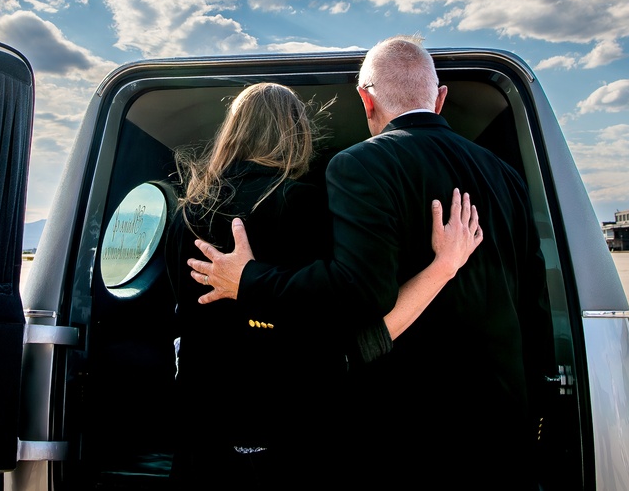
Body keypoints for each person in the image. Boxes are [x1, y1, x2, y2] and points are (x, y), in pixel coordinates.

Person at [188, 38, 557, 488]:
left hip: (408, 431)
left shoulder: (360, 164)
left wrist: (251, 280)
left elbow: (361, 292)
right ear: (439, 98)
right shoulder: (507, 177)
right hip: (503, 426)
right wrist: (536, 408)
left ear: (365, 98)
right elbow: (535, 305)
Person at [165, 81, 482, 488]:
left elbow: (183, 319)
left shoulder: (186, 214)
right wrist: (443, 265)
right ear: (297, 135)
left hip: (203, 427)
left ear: (233, 131)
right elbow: (341, 313)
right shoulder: (302, 204)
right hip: (289, 429)